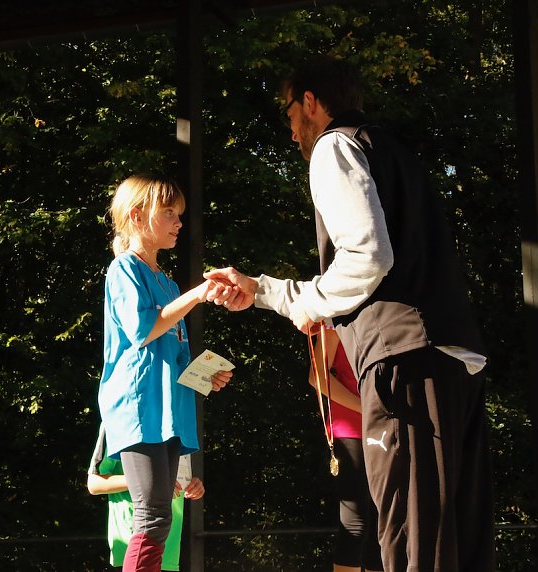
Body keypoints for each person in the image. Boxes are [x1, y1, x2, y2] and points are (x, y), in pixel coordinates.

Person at [205, 55, 495, 571]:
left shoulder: (334, 146)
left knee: (409, 539)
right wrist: (267, 291)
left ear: (311, 103)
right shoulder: (394, 152)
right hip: (454, 359)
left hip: (404, 358)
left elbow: (367, 255)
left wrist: (304, 303)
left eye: (290, 113)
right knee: (457, 539)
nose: (291, 129)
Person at [98, 173, 233, 572]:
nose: (179, 222)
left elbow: (168, 357)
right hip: (140, 410)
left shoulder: (168, 283)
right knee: (153, 516)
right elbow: (142, 331)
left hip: (167, 412)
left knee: (160, 517)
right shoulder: (123, 270)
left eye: (180, 214)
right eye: (170, 213)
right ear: (137, 217)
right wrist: (198, 293)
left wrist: (203, 375)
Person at [309, 328, 382, 572]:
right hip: (350, 429)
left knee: (383, 519)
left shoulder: (383, 317)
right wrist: (365, 408)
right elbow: (317, 375)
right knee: (356, 521)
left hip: (385, 427)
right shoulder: (334, 319)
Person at [88, 425, 206, 571]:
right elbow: (94, 483)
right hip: (131, 544)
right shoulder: (118, 417)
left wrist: (194, 484)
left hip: (170, 551)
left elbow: (179, 477)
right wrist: (146, 479)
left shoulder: (178, 422)